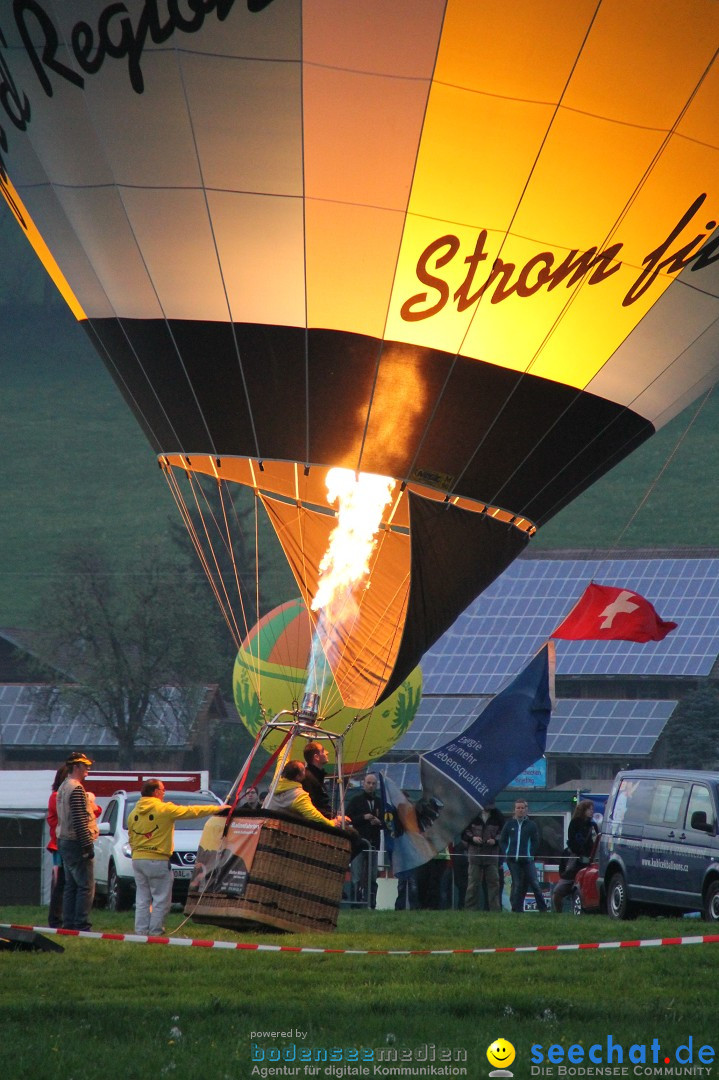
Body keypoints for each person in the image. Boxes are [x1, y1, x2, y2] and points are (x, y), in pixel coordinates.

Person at [128, 780, 231, 936]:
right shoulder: (164, 809)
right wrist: (217, 808)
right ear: (156, 792)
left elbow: (131, 836)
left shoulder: (133, 813)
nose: (164, 793)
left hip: (137, 859)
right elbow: (191, 811)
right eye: (162, 790)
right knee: (161, 899)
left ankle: (141, 932)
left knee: (142, 898)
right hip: (158, 858)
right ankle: (155, 932)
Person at [56, 751, 100, 931]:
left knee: (71, 886)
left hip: (64, 840)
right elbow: (80, 820)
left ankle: (68, 923)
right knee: (86, 886)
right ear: (76, 767)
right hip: (76, 841)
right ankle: (81, 924)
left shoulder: (63, 786)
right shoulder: (76, 789)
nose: (88, 770)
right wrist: (87, 846)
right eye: (85, 767)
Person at [499, 797, 547, 913]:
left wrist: (530, 853)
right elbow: (503, 840)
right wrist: (507, 852)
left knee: (535, 883)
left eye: (522, 808)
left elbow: (536, 841)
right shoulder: (509, 824)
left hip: (528, 860)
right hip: (513, 860)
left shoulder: (531, 825)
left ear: (526, 809)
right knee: (517, 884)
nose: (520, 810)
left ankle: (543, 909)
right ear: (514, 810)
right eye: (518, 808)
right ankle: (516, 910)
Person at [552, 799, 600, 913]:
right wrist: (580, 853)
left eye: (593, 809)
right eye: (589, 809)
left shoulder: (593, 825)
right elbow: (573, 841)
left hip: (589, 863)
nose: (592, 811)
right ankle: (558, 913)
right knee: (558, 892)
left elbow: (597, 842)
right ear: (583, 810)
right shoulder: (574, 823)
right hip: (575, 863)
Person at [266, 761, 343, 828]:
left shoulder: (276, 780)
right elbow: (313, 815)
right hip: (277, 830)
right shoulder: (298, 795)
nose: (306, 772)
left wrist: (287, 745)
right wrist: (331, 823)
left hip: (262, 823)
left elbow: (282, 758)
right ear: (298, 777)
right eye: (303, 771)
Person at [462, 801, 505, 912]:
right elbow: (464, 832)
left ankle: (495, 910)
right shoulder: (471, 814)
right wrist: (473, 839)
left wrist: (495, 840)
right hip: (474, 855)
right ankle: (470, 909)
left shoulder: (498, 816)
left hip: (491, 856)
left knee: (494, 883)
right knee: (473, 883)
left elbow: (503, 833)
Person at [346, 773, 382, 907]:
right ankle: (355, 903)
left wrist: (379, 822)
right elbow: (348, 818)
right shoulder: (356, 800)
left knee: (372, 876)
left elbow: (386, 821)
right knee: (356, 875)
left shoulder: (379, 802)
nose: (371, 786)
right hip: (358, 843)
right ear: (363, 783)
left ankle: (371, 903)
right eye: (369, 783)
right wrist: (363, 817)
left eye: (373, 784)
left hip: (373, 843)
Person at [46, 764, 68, 928]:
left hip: (60, 843)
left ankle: (58, 918)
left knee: (62, 882)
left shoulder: (56, 796)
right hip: (58, 846)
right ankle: (55, 919)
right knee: (59, 883)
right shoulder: (56, 796)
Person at [302, 740, 333, 818]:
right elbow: (313, 806)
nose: (327, 752)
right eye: (323, 751)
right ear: (316, 757)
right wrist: (333, 817)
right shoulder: (308, 778)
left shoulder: (317, 776)